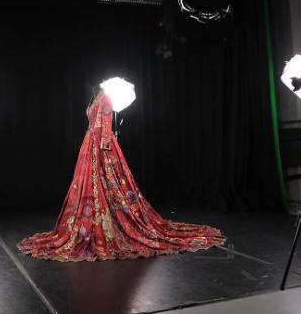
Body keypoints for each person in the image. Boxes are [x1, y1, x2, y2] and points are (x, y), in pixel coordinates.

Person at [18, 88, 225, 261]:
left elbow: (105, 125)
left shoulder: (106, 96)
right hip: (90, 145)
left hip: (101, 147)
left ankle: (107, 227)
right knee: (89, 187)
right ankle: (88, 226)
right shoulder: (96, 95)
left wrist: (104, 147)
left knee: (108, 186)